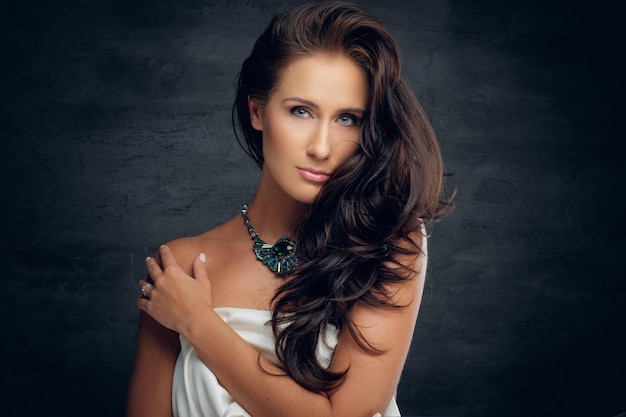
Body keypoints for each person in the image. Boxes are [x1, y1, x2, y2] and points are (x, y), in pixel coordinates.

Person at [126, 2, 451, 416]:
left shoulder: (388, 242)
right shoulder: (182, 267)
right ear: (257, 111)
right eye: (301, 111)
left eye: (348, 119)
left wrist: (199, 324)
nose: (321, 147)